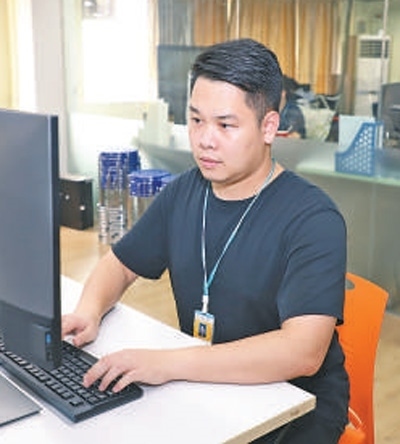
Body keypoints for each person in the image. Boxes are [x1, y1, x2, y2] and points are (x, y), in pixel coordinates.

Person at [62, 38, 349, 443]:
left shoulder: (313, 218)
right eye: (196, 120)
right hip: (207, 383)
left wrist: (168, 364)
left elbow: (302, 352)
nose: (205, 140)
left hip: (294, 404)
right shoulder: (185, 191)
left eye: (225, 125)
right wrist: (89, 311)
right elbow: (120, 265)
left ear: (269, 126)